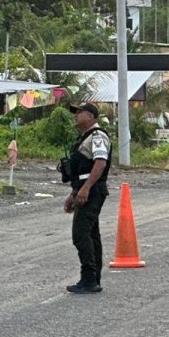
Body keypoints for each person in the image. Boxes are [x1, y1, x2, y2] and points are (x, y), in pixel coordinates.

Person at [63, 102, 111, 294]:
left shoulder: (97, 136)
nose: (76, 115)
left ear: (91, 116)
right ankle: (93, 278)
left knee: (81, 234)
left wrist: (86, 189)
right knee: (91, 234)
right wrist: (74, 193)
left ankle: (89, 278)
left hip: (92, 190)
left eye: (80, 112)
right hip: (86, 188)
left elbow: (100, 163)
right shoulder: (85, 137)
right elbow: (82, 169)